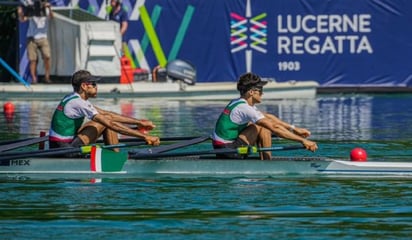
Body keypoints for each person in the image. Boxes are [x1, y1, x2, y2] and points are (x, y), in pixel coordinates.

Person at [211, 72, 318, 160]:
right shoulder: (245, 108)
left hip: (222, 148)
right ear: (251, 92)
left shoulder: (238, 103)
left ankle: (265, 159)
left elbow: (268, 117)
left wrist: (294, 129)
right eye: (260, 90)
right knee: (263, 127)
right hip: (228, 151)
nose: (262, 93)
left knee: (262, 123)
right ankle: (267, 162)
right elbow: (274, 128)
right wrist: (303, 141)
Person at [49, 69, 160, 150]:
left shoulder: (74, 98)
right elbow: (112, 124)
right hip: (63, 149)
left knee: (106, 119)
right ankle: (115, 157)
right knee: (106, 123)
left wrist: (139, 122)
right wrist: (145, 136)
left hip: (63, 144)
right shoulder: (78, 103)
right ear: (84, 86)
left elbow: (109, 114)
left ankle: (114, 154)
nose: (96, 87)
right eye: (93, 84)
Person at [17, 0, 53, 84]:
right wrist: (20, 13)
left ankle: (47, 77)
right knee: (32, 59)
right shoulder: (32, 10)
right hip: (32, 37)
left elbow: (51, 17)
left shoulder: (45, 10)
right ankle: (34, 78)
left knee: (47, 57)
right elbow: (23, 20)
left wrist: (49, 8)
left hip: (43, 37)